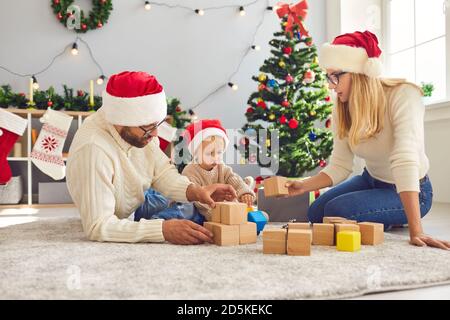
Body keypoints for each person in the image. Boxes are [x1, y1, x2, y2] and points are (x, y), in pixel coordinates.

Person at [285, 31, 450, 250]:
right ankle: (378, 212)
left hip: (412, 191)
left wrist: (416, 230)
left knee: (336, 211)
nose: (331, 86)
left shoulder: (403, 94)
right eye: (328, 77)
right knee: (316, 212)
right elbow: (340, 165)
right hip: (371, 180)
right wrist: (302, 186)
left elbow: (405, 159)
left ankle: (395, 216)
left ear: (359, 72)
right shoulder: (343, 107)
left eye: (335, 76)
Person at [66, 71, 237, 245]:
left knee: (190, 207)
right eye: (148, 128)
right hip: (117, 211)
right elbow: (98, 226)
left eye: (156, 125)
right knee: (181, 213)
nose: (155, 134)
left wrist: (195, 192)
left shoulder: (139, 130)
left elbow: (161, 172)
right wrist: (163, 230)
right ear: (121, 120)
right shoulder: (93, 149)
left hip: (138, 200)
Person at [181, 119, 256, 221]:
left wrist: (244, 192)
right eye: (209, 153)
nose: (216, 157)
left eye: (219, 152)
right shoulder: (190, 172)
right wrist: (217, 215)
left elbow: (234, 179)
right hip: (202, 212)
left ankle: (245, 190)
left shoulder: (221, 167)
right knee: (187, 211)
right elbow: (198, 202)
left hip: (223, 208)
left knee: (255, 213)